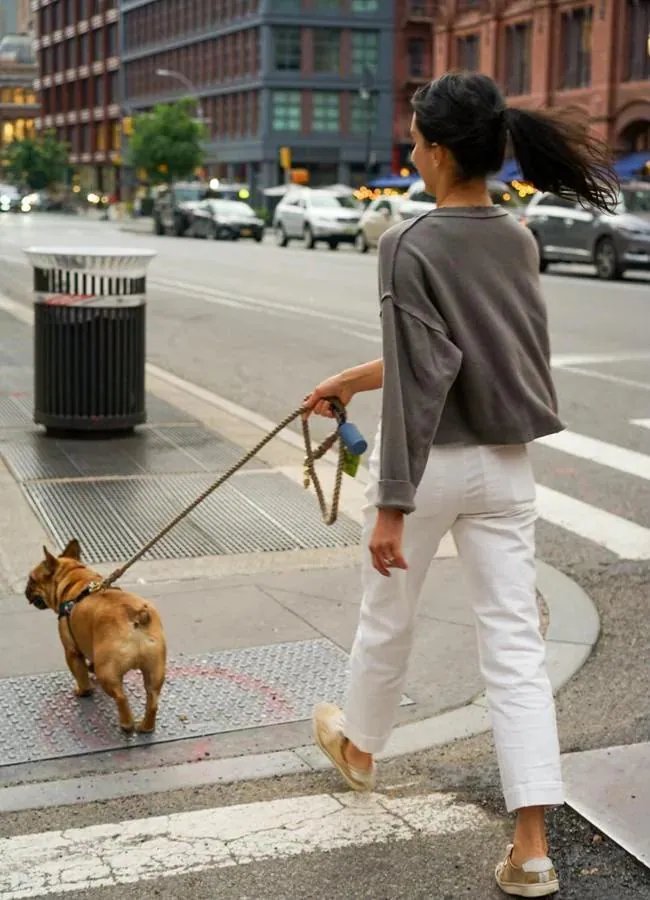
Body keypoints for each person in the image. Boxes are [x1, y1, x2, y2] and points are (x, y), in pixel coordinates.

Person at [304, 72, 618, 898]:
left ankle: (363, 750)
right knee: (515, 649)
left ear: (440, 152)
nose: (410, 151)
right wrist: (348, 378)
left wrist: (393, 504)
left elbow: (419, 381)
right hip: (507, 468)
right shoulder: (518, 238)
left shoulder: (406, 245)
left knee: (387, 618)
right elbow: (457, 359)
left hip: (430, 465)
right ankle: (532, 849)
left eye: (415, 140)